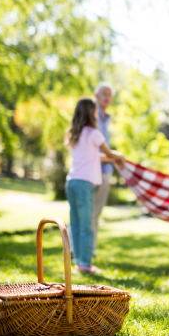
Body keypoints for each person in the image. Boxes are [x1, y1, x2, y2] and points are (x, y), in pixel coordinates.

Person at [66, 97, 125, 274]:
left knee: (76, 223)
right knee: (86, 225)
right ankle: (85, 264)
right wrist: (119, 156)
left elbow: (94, 156)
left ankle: (78, 261)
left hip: (71, 183)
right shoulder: (94, 134)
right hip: (85, 184)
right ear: (92, 114)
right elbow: (108, 153)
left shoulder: (73, 134)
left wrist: (115, 158)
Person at [91, 82, 115, 258]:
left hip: (106, 170)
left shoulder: (108, 118)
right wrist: (115, 157)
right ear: (96, 95)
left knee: (96, 212)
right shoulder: (91, 116)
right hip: (91, 169)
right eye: (103, 94)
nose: (107, 97)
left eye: (109, 94)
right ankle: (77, 250)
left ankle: (90, 251)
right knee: (85, 212)